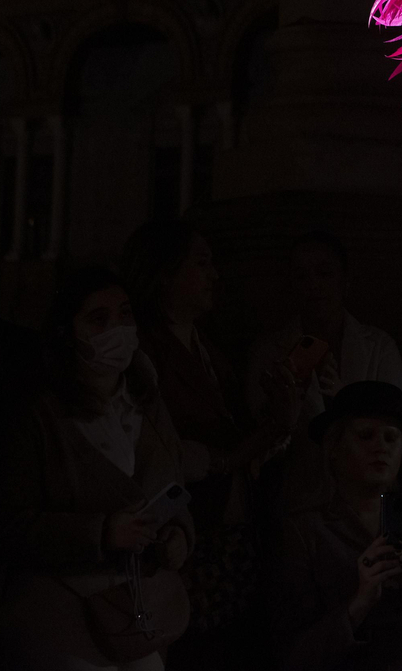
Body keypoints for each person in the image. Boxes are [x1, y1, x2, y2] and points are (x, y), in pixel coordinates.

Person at [0, 267, 194, 671]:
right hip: (62, 605)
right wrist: (101, 532)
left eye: (125, 315)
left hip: (136, 607)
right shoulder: (39, 416)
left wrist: (179, 536)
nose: (117, 329)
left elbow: (173, 487)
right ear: (68, 332)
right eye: (98, 319)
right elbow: (10, 523)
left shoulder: (148, 405)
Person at [123, 221, 295, 665]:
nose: (215, 276)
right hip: (188, 542)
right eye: (201, 263)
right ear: (164, 274)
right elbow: (176, 454)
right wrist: (258, 438)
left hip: (228, 538)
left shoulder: (208, 348)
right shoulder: (144, 352)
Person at [270, 380, 402, 671]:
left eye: (391, 438)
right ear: (334, 448)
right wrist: (358, 605)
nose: (380, 447)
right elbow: (293, 654)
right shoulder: (306, 531)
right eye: (366, 436)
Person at [245, 232, 402, 513]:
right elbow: (258, 431)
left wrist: (344, 400)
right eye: (302, 276)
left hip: (369, 500)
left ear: (345, 281)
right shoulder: (270, 351)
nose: (313, 286)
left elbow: (395, 420)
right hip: (296, 496)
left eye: (324, 273)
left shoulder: (379, 347)